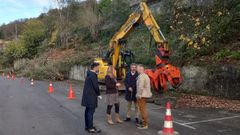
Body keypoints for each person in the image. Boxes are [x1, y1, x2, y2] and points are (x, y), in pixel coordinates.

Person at [81, 62, 102, 133]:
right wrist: (98, 94)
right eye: (98, 67)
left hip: (87, 96)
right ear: (95, 67)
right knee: (90, 112)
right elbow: (95, 86)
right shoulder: (93, 75)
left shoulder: (89, 73)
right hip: (91, 96)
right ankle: (91, 128)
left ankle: (87, 126)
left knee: (87, 111)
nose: (99, 68)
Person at [136, 64, 152, 130]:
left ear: (140, 69)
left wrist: (138, 95)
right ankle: (143, 122)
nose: (137, 70)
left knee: (143, 110)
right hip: (144, 95)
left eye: (137, 69)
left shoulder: (142, 76)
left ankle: (145, 124)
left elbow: (140, 87)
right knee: (143, 109)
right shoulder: (145, 75)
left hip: (142, 95)